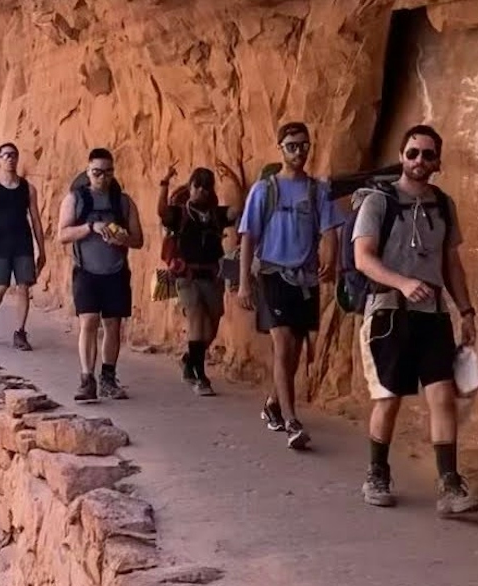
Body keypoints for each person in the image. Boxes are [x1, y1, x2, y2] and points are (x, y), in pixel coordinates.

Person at [351, 125, 478, 517]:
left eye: (427, 155)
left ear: (438, 162)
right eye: (412, 153)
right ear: (402, 155)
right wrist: (404, 283)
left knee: (442, 396)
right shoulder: (378, 203)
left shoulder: (444, 204)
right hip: (389, 311)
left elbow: (451, 263)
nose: (419, 161)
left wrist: (467, 310)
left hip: (433, 315)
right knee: (389, 397)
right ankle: (377, 472)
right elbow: (364, 257)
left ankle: (450, 484)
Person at [237, 121, 341, 450]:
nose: (299, 152)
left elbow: (329, 228)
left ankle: (272, 403)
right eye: (292, 146)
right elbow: (248, 237)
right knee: (283, 344)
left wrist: (331, 258)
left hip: (305, 278)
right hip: (272, 274)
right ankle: (292, 420)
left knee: (294, 350)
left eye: (304, 145)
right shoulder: (264, 190)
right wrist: (243, 284)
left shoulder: (317, 191)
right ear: (280, 148)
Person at [57, 147, 143, 401]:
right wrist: (91, 227)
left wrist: (123, 238)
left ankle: (108, 377)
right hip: (86, 270)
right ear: (88, 171)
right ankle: (87, 378)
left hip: (115, 270)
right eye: (97, 172)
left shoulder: (123, 202)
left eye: (107, 173)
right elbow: (62, 234)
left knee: (113, 325)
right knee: (89, 321)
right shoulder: (76, 200)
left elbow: (139, 240)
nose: (102, 178)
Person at [158, 163, 241, 396]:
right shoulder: (180, 213)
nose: (202, 191)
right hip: (188, 276)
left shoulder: (215, 214)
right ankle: (199, 376)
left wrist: (234, 181)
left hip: (212, 276)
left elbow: (237, 212)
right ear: (190, 187)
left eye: (207, 187)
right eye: (198, 186)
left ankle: (189, 360)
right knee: (196, 320)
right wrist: (164, 183)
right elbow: (162, 211)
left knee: (211, 327)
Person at [0, 142, 47, 351]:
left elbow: (36, 220)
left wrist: (42, 250)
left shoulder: (27, 188)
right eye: (5, 155)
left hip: (22, 243)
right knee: (0, 288)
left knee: (24, 286)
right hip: (0, 244)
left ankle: (20, 333)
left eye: (13, 155)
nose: (10, 158)